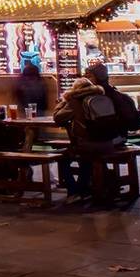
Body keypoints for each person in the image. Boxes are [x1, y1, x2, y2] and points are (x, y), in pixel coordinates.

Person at [53, 72, 126, 201]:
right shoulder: (101, 96)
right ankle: (86, 188)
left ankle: (74, 190)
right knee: (86, 158)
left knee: (63, 158)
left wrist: (63, 102)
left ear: (75, 90)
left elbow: (58, 118)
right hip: (109, 142)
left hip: (88, 144)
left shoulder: (75, 101)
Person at [86, 63, 140, 138]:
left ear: (97, 78)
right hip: (120, 138)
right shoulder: (122, 97)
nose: (86, 79)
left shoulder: (88, 98)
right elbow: (135, 124)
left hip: (98, 141)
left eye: (89, 76)